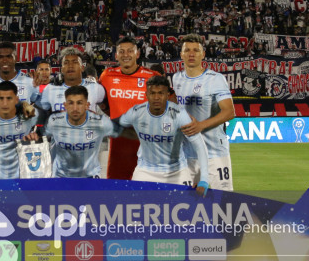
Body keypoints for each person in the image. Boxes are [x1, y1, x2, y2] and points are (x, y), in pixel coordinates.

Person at [118, 76, 209, 194]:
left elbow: (200, 145)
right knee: (138, 210)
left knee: (184, 211)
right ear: (146, 94)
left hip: (177, 172)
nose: (156, 97)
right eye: (152, 93)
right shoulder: (136, 112)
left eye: (161, 93)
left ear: (167, 95)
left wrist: (204, 180)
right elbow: (117, 125)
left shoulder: (179, 115)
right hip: (145, 171)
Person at [172, 34, 235, 191]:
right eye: (187, 50)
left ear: (203, 54)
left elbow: (229, 112)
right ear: (181, 54)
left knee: (222, 206)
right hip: (187, 155)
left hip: (214, 153)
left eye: (196, 50)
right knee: (187, 207)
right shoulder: (176, 78)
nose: (191, 54)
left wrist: (201, 125)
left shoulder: (215, 79)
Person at [99, 36, 158, 180]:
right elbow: (103, 104)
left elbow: (169, 106)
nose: (126, 55)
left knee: (147, 189)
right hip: (118, 143)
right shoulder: (107, 76)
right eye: (122, 51)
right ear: (116, 55)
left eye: (130, 51)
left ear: (137, 54)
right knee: (117, 188)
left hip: (146, 141)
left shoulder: (153, 77)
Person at [41, 85, 120, 178]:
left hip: (90, 176)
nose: (75, 108)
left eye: (79, 103)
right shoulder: (54, 121)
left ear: (87, 105)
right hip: (60, 176)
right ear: (65, 105)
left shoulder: (100, 122)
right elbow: (38, 135)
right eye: (71, 103)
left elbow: (123, 131)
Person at [0, 80, 40, 181]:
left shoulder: (29, 115)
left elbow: (51, 121)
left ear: (16, 100)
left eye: (9, 98)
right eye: (1, 98)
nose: (5, 103)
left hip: (20, 177)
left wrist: (37, 136)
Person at [39, 46, 105, 113]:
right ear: (61, 69)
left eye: (75, 62)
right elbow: (38, 116)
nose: (70, 66)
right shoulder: (50, 90)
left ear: (82, 67)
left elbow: (108, 113)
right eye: (66, 63)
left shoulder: (96, 89)